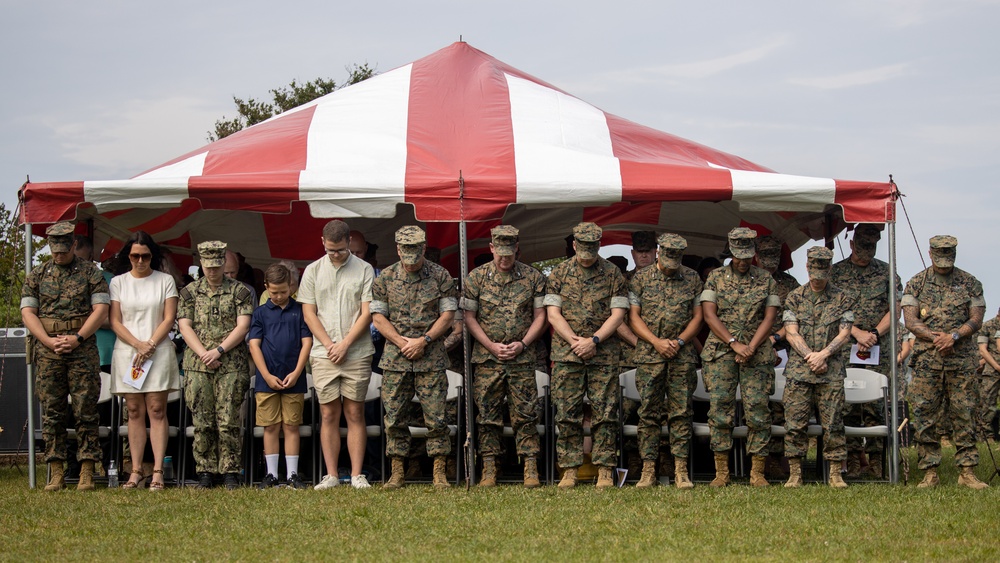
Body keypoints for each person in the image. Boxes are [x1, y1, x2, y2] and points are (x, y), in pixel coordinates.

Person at [21, 222, 110, 491]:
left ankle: (86, 470)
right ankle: (56, 469)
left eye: (64, 249)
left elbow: (101, 309)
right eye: (54, 249)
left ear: (73, 245)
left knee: (86, 408)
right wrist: (47, 341)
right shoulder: (37, 275)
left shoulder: (90, 273)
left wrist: (78, 338)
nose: (59, 254)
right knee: (53, 410)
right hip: (49, 350)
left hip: (81, 347)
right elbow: (28, 313)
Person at [372, 225, 458, 489]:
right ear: (398, 250)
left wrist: (424, 341)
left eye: (416, 257)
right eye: (406, 257)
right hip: (396, 361)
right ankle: (397, 471)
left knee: (437, 418)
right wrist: (401, 342)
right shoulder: (384, 279)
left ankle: (439, 472)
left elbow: (448, 315)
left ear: (423, 249)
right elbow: (378, 317)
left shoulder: (440, 276)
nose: (411, 263)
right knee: (395, 418)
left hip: (431, 358)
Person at [462, 225, 548, 488]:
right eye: (500, 254)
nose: (504, 259)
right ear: (491, 249)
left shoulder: (533, 278)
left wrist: (522, 344)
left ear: (517, 250)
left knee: (526, 413)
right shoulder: (476, 278)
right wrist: (490, 345)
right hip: (488, 359)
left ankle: (530, 465)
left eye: (509, 255)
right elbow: (469, 317)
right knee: (487, 413)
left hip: (522, 357)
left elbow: (540, 317)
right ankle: (489, 466)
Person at [545, 222, 628, 489]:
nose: (587, 253)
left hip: (602, 354)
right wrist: (574, 341)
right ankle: (569, 468)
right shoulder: (558, 273)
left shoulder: (613, 274)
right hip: (568, 353)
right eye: (582, 248)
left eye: (592, 248)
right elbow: (552, 314)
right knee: (567, 413)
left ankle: (605, 468)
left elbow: (618, 315)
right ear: (574, 245)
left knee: (605, 412)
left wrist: (594, 340)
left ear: (599, 246)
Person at [902, 235, 989, 489]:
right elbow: (910, 320)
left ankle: (967, 471)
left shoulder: (971, 283)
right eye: (939, 259)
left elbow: (976, 319)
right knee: (924, 414)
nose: (943, 264)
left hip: (961, 361)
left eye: (948, 259)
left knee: (965, 413)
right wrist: (935, 338)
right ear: (930, 254)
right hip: (927, 361)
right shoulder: (916, 283)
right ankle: (930, 472)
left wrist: (954, 336)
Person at [700, 227, 779, 487]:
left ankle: (757, 472)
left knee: (757, 410)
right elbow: (709, 315)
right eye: (738, 256)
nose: (743, 262)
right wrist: (734, 343)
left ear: (754, 253)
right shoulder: (715, 278)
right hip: (722, 351)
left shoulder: (766, 279)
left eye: (747, 256)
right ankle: (722, 472)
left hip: (756, 353)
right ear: (730, 252)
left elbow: (770, 317)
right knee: (720, 410)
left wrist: (751, 347)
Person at [299, 220, 376, 490]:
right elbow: (309, 313)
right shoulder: (312, 271)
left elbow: (367, 313)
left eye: (341, 250)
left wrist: (344, 344)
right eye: (331, 250)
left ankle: (356, 474)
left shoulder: (365, 269)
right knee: (328, 413)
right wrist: (330, 344)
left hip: (356, 350)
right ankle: (331, 474)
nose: (335, 255)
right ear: (323, 242)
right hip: (323, 352)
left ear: (349, 244)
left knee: (355, 411)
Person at [628, 233, 703, 489]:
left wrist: (680, 341)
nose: (671, 265)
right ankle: (649, 469)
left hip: (682, 356)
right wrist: (656, 342)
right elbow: (634, 317)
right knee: (649, 413)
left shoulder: (692, 277)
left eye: (676, 260)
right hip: (650, 356)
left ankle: (681, 470)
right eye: (667, 258)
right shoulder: (641, 278)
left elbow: (698, 317)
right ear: (659, 252)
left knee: (681, 412)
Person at [108, 231, 182, 490]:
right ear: (128, 256)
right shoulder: (118, 282)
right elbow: (115, 321)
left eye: (145, 256)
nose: (140, 261)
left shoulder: (165, 281)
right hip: (129, 352)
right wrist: (137, 344)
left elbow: (169, 317)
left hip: (158, 350)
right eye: (135, 256)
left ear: (153, 255)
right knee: (134, 411)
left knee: (157, 410)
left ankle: (159, 471)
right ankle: (136, 470)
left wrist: (149, 344)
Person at [178, 241, 254, 490]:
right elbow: (184, 325)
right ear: (201, 264)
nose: (212, 271)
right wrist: (203, 353)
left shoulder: (239, 291)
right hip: (198, 365)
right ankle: (205, 471)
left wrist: (219, 350)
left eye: (216, 266)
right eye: (207, 267)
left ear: (223, 264)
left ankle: (230, 471)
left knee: (229, 419)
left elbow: (243, 326)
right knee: (202, 419)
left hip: (231, 363)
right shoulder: (189, 292)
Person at [831, 223, 902, 478]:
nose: (866, 251)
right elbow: (832, 310)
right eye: (862, 246)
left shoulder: (887, 272)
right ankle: (849, 460)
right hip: (844, 346)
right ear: (852, 244)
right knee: (847, 403)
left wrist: (872, 334)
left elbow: (895, 309)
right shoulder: (836, 273)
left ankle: (874, 464)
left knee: (875, 405)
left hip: (877, 349)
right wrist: (856, 333)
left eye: (871, 247)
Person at [781, 247, 854, 488]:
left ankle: (835, 473)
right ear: (807, 268)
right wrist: (811, 356)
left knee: (833, 423)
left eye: (822, 271)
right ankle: (795, 473)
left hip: (830, 372)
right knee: (795, 423)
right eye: (814, 271)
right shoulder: (794, 297)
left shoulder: (843, 298)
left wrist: (823, 354)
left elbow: (845, 333)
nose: (818, 277)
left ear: (830, 269)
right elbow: (791, 332)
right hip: (799, 373)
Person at [249, 263, 312, 489]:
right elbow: (254, 346)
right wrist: (265, 374)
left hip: (294, 378)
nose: (278, 296)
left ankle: (293, 474)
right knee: (270, 426)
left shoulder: (300, 310)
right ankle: (272, 474)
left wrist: (297, 372)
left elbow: (307, 343)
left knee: (291, 425)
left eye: (283, 292)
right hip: (267, 380)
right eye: (273, 292)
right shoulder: (260, 313)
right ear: (266, 287)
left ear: (291, 287)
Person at [757, 235, 799, 478]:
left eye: (774, 256)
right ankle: (763, 460)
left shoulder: (789, 283)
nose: (770, 261)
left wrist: (774, 339)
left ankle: (780, 457)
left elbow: (794, 316)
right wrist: (760, 343)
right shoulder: (750, 280)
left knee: (782, 405)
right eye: (765, 256)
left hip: (783, 348)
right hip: (752, 347)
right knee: (760, 405)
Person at [977, 307, 1000, 441]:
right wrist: (997, 366)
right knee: (987, 404)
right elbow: (983, 351)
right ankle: (986, 435)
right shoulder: (987, 326)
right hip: (991, 371)